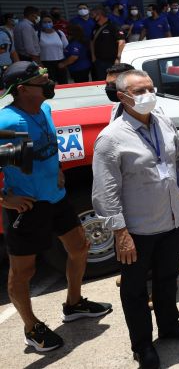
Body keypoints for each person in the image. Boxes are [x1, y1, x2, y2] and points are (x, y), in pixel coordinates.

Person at [93, 69, 179, 369]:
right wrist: (121, 234)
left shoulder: (163, 123)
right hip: (137, 230)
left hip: (171, 221)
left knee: (168, 279)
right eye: (139, 91)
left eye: (150, 89)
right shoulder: (111, 139)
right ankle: (142, 345)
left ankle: (170, 326)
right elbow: (105, 193)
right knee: (134, 291)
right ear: (122, 97)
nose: (147, 96)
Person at [1, 62, 112, 352]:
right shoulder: (11, 123)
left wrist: (58, 168)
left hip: (56, 197)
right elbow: (8, 165)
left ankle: (73, 304)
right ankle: (31, 327)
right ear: (23, 89)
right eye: (41, 80)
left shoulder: (44, 111)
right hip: (28, 208)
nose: (48, 84)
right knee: (23, 273)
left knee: (79, 247)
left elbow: (40, 153)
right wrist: (5, 199)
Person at [90, 7, 126, 80]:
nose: (92, 17)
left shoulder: (113, 26)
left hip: (112, 61)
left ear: (99, 15)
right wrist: (93, 56)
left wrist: (118, 58)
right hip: (99, 61)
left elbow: (121, 42)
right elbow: (91, 41)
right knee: (102, 81)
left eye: (93, 15)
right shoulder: (95, 27)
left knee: (114, 81)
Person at [37, 14, 69, 84]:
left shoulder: (59, 33)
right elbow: (35, 51)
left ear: (52, 22)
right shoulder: (37, 34)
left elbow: (66, 47)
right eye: (45, 22)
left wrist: (65, 62)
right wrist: (40, 65)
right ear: (41, 24)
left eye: (49, 21)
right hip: (44, 64)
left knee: (63, 83)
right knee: (47, 84)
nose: (47, 23)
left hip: (60, 62)